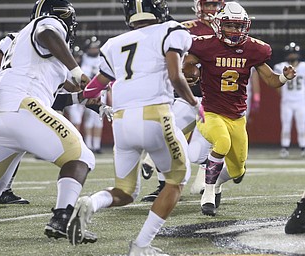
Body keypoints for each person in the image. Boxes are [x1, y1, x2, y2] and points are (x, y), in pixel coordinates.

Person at [66, 0, 202, 255]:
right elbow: (175, 75)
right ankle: (141, 246)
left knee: (125, 191)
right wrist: (194, 103)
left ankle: (91, 202)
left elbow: (94, 89)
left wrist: (94, 103)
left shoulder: (113, 44)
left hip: (122, 120)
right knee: (176, 181)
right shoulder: (172, 30)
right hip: (155, 115)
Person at [0, 0, 97, 243]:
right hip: (20, 106)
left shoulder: (24, 47)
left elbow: (51, 98)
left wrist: (84, 98)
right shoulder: (47, 26)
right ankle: (62, 217)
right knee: (80, 157)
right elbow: (47, 32)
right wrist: (77, 70)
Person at [185, 1, 296, 216]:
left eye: (238, 26)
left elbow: (271, 81)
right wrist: (189, 70)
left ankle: (215, 184)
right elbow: (188, 63)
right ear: (219, 25)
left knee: (238, 171)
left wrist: (284, 77)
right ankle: (207, 194)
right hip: (210, 111)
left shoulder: (254, 49)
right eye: (230, 26)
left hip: (237, 116)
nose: (234, 31)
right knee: (222, 142)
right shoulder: (205, 45)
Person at [140, 0, 225, 202]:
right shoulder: (185, 28)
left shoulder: (229, 29)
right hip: (189, 94)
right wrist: (181, 70)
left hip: (215, 97)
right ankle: (163, 185)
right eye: (208, 4)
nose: (211, 9)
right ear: (198, 6)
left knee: (202, 150)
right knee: (165, 132)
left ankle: (214, 180)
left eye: (215, 4)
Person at [0, 33, 30, 204]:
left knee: (15, 142)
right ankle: (3, 190)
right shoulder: (19, 38)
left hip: (13, 97)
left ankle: (4, 189)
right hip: (2, 97)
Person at [66, 37, 105, 153]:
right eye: (75, 56)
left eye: (78, 56)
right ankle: (78, 145)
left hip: (93, 91)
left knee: (95, 119)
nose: (77, 59)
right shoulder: (79, 66)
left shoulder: (97, 60)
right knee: (77, 120)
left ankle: (91, 145)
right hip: (76, 93)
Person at [274, 42, 305, 158]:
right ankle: (284, 148)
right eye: (290, 53)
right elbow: (278, 84)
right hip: (287, 101)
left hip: (300, 101)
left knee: (302, 125)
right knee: (286, 125)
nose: (292, 56)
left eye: (293, 53)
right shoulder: (281, 66)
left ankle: (303, 147)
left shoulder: (303, 67)